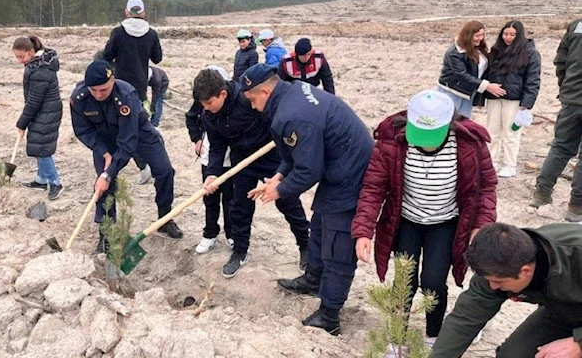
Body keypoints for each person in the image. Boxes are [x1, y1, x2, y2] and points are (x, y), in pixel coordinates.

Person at [351, 89, 498, 349]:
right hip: (406, 220)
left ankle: (433, 336)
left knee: (433, 281)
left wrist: (480, 226)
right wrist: (364, 230)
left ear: (448, 125)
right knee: (404, 282)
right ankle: (396, 340)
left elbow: (486, 186)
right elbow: (374, 188)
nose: (422, 142)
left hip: (445, 223)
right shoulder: (391, 142)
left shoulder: (469, 144)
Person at [241, 63, 373, 336]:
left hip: (352, 174)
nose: (253, 107)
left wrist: (278, 191)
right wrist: (278, 177)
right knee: (320, 227)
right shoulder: (292, 93)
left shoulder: (292, 116)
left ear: (265, 92)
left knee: (338, 243)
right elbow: (297, 154)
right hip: (336, 166)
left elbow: (308, 170)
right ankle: (314, 279)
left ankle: (329, 316)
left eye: (253, 100)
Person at [194, 68, 310, 278]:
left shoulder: (246, 99)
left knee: (287, 200)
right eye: (203, 104)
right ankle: (240, 250)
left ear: (222, 94)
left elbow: (275, 121)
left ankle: (306, 246)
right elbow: (218, 146)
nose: (206, 108)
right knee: (239, 205)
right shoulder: (209, 115)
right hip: (242, 160)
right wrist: (212, 174)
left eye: (209, 103)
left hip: (270, 155)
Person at [70, 60, 182, 253]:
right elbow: (82, 130)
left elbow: (128, 141)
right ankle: (106, 234)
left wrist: (109, 172)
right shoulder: (79, 98)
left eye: (103, 90)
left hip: (139, 134)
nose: (98, 95)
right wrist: (103, 153)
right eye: (93, 90)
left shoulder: (125, 95)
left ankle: (165, 217)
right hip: (104, 140)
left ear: (113, 80)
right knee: (105, 188)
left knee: (164, 171)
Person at [430, 222, 582, 358]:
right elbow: (464, 320)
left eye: (498, 282)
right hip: (563, 312)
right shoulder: (496, 263)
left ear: (525, 271)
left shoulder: (576, 253)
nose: (492, 287)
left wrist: (578, 344)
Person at [101, 0, 162, 184]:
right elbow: (157, 58)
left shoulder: (118, 33)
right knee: (137, 127)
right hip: (140, 89)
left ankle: (137, 166)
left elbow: (106, 56)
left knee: (119, 128)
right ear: (143, 13)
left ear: (127, 12)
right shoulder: (151, 34)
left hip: (118, 88)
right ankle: (148, 163)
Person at [531, 17, 582, 222]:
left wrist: (566, 87)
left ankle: (541, 194)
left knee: (560, 148)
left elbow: (561, 60)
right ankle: (576, 206)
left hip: (571, 98)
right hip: (571, 95)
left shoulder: (576, 26)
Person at [185, 66, 234, 253]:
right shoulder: (204, 101)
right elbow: (190, 118)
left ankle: (231, 234)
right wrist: (197, 139)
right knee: (210, 198)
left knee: (231, 199)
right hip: (209, 159)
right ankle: (210, 233)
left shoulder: (234, 103)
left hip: (231, 161)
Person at [483, 20, 541, 178]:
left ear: (519, 35)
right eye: (505, 34)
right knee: (492, 131)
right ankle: (491, 162)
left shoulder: (530, 53)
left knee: (511, 133)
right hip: (494, 98)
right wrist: (484, 95)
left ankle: (509, 164)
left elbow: (533, 79)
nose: (508, 37)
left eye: (512, 35)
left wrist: (527, 103)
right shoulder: (495, 51)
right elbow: (487, 74)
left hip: (515, 100)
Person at [12, 36, 64, 200]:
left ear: (31, 52)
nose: (20, 60)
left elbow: (34, 102)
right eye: (17, 57)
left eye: (22, 57)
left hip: (47, 112)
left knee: (42, 149)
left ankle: (55, 182)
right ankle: (41, 180)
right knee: (38, 143)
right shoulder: (36, 64)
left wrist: (22, 123)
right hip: (44, 111)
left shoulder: (40, 71)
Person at [437, 20, 504, 118]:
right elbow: (462, 75)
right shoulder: (454, 53)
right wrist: (486, 86)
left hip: (468, 92)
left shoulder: (479, 47)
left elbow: (480, 71)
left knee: (463, 122)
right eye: (477, 36)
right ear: (468, 35)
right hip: (452, 91)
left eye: (482, 35)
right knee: (447, 120)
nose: (480, 38)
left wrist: (479, 97)